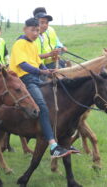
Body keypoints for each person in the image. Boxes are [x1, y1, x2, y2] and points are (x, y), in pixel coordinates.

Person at [9, 18, 72, 158]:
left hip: (36, 78)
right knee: (43, 106)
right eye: (33, 30)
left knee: (55, 98)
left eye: (37, 30)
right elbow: (23, 65)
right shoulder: (20, 43)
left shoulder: (33, 45)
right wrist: (42, 72)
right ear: (24, 29)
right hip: (24, 80)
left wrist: (48, 72)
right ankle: (53, 145)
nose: (36, 33)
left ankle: (61, 140)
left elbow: (39, 63)